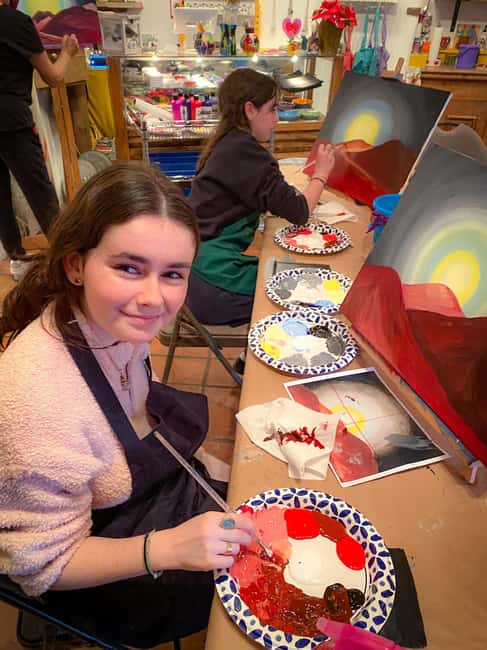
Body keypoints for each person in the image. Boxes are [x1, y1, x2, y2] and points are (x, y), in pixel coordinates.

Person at [0, 162, 255, 647]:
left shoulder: (108, 323)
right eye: (129, 268)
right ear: (76, 265)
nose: (153, 299)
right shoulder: (38, 406)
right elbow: (43, 566)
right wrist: (168, 548)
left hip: (137, 496)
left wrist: (209, 468)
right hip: (93, 563)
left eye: (173, 274)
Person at [187, 67, 336, 327]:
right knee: (310, 290)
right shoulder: (245, 152)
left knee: (291, 272)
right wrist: (321, 174)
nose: (276, 119)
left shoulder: (228, 141)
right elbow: (300, 211)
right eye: (272, 109)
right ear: (249, 110)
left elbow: (271, 194)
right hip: (212, 283)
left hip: (196, 272)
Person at [0, 0, 79, 281]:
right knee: (40, 192)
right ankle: (67, 261)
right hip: (11, 119)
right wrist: (68, 52)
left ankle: (17, 258)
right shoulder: (17, 22)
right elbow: (54, 76)